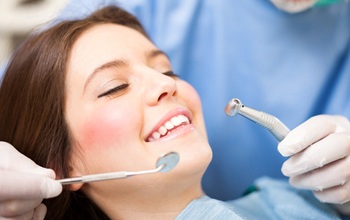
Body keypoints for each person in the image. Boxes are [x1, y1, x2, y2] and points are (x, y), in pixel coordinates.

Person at [0, 5, 347, 219]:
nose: (165, 85)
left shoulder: (288, 202)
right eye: (114, 87)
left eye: (167, 70)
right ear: (61, 168)